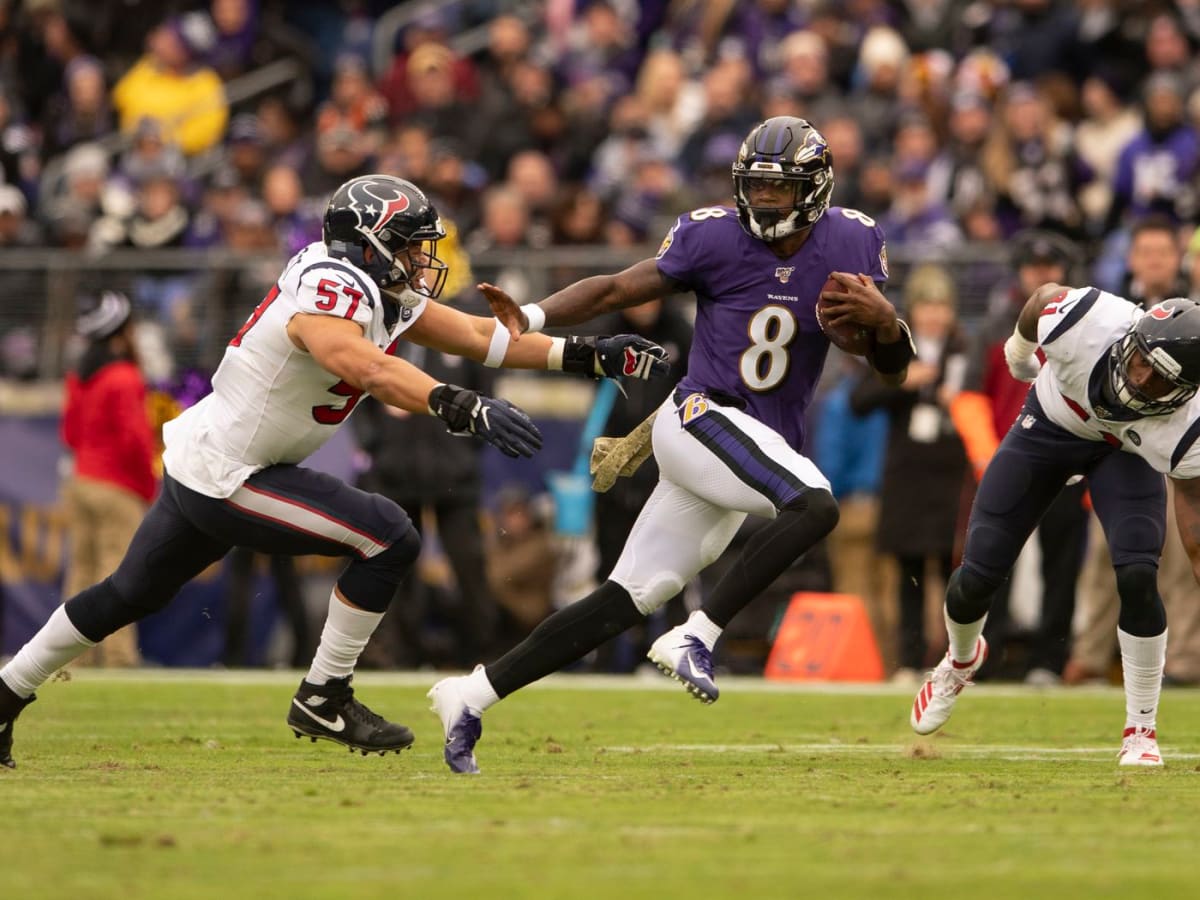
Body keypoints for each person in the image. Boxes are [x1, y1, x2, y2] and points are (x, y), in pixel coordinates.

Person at [0, 174, 668, 769]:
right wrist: (455, 403)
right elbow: (362, 365)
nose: (419, 261)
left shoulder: (376, 285)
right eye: (407, 245)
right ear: (368, 244)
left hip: (216, 458)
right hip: (233, 470)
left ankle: (6, 689)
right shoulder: (331, 286)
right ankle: (324, 694)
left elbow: (476, 335)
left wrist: (587, 356)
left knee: (126, 594)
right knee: (389, 535)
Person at [427, 116, 916, 774]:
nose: (763, 203)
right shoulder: (712, 234)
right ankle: (699, 634)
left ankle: (471, 694)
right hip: (700, 417)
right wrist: (533, 317)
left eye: (778, 191)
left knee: (629, 595)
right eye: (755, 189)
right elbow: (615, 288)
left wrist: (887, 325)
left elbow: (891, 370)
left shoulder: (850, 241)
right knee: (816, 504)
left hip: (749, 444)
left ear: (815, 188)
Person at [910, 283, 1200, 767]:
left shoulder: (1187, 424)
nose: (1139, 375)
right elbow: (1042, 297)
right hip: (1048, 428)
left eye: (1157, 380)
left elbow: (1193, 519)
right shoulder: (1089, 321)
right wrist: (1020, 355)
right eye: (1140, 359)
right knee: (975, 577)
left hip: (1123, 453)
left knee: (1136, 572)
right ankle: (960, 661)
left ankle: (1141, 729)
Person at [61, 291, 157, 668]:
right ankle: (119, 656)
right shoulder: (124, 377)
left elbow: (68, 435)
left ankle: (72, 658)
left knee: (80, 570)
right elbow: (136, 440)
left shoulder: (78, 378)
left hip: (79, 480)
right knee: (119, 573)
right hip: (117, 485)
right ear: (120, 333)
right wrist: (147, 487)